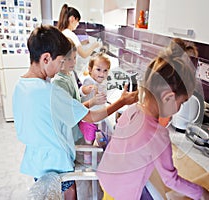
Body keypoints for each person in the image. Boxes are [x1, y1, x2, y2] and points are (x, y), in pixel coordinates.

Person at [12, 25, 138, 200]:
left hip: (36, 160)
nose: (60, 68)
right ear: (46, 58)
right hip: (56, 163)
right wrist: (122, 101)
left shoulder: (20, 86)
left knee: (52, 192)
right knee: (69, 191)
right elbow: (92, 116)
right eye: (60, 62)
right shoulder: (50, 92)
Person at [96, 40, 209, 200]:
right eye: (182, 103)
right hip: (123, 194)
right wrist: (202, 193)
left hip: (107, 178)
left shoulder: (132, 110)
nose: (179, 109)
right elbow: (171, 180)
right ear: (168, 97)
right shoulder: (158, 135)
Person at [51, 39, 106, 143]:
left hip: (75, 130)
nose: (74, 62)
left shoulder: (70, 74)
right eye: (69, 59)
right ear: (60, 59)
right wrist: (93, 102)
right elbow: (71, 110)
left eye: (75, 58)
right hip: (68, 135)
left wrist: (83, 91)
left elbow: (75, 98)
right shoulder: (59, 83)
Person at [79, 51, 111, 163]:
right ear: (90, 69)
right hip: (88, 119)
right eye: (98, 69)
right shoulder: (89, 81)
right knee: (89, 141)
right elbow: (82, 91)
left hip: (95, 117)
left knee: (92, 139)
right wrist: (85, 90)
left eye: (105, 70)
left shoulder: (103, 82)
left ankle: (88, 156)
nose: (102, 73)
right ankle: (87, 161)